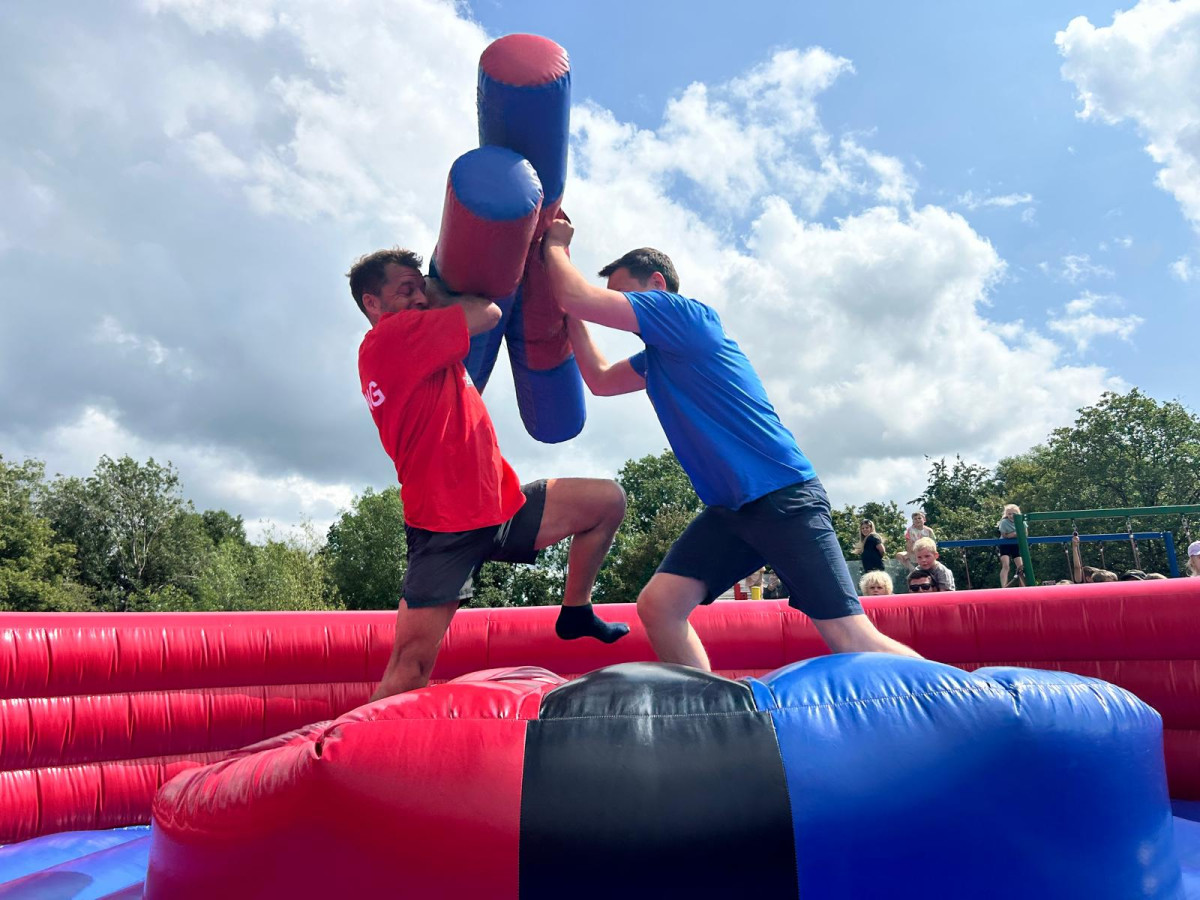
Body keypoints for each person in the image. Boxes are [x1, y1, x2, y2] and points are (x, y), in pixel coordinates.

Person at [540, 225, 921, 668]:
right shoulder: (661, 356)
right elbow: (602, 380)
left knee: (849, 636)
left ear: (657, 285)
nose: (621, 308)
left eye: (626, 295)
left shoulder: (685, 316)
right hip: (731, 511)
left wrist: (555, 246)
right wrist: (570, 317)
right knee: (660, 606)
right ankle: (711, 706)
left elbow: (578, 297)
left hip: (781, 497)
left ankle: (968, 695)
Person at [349, 248, 629, 700]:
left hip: (500, 507)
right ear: (372, 303)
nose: (419, 297)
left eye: (420, 286)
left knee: (606, 502)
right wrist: (437, 287)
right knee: (410, 669)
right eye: (406, 289)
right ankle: (357, 744)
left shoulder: (419, 345)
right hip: (445, 526)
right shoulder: (396, 336)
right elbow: (488, 313)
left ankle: (576, 610)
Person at [997, 504, 1026, 588]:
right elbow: (1005, 535)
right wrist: (1015, 534)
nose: (1011, 516)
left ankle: (1023, 586)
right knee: (1006, 565)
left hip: (1015, 544)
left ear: (1018, 513)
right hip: (1005, 544)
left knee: (1020, 567)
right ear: (1006, 514)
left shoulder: (1021, 521)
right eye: (1009, 514)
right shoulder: (1004, 522)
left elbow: (1025, 533)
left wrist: (1013, 534)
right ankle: (1004, 586)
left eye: (1013, 514)